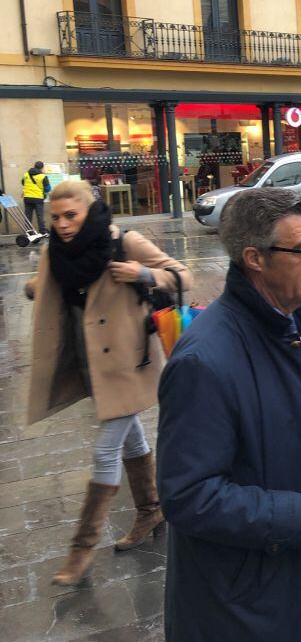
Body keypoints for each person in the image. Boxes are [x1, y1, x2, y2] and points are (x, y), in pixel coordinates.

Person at [156, 188, 301, 642]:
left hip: (297, 585)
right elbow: (187, 495)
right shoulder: (203, 361)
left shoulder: (293, 319)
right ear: (255, 259)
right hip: (242, 612)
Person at [25, 180, 191, 586]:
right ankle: (151, 510)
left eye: (71, 215)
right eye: (56, 218)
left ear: (89, 211)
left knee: (104, 451)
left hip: (128, 365)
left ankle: (81, 550)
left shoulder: (123, 242)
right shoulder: (55, 253)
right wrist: (35, 288)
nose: (63, 224)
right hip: (89, 366)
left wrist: (143, 273)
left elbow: (182, 276)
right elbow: (53, 288)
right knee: (131, 440)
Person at [22, 160, 50, 233]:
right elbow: (48, 188)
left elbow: (23, 183)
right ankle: (42, 231)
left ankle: (28, 231)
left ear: (34, 166)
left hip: (27, 198)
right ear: (42, 167)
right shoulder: (43, 176)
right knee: (40, 216)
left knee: (28, 216)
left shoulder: (26, 174)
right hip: (38, 198)